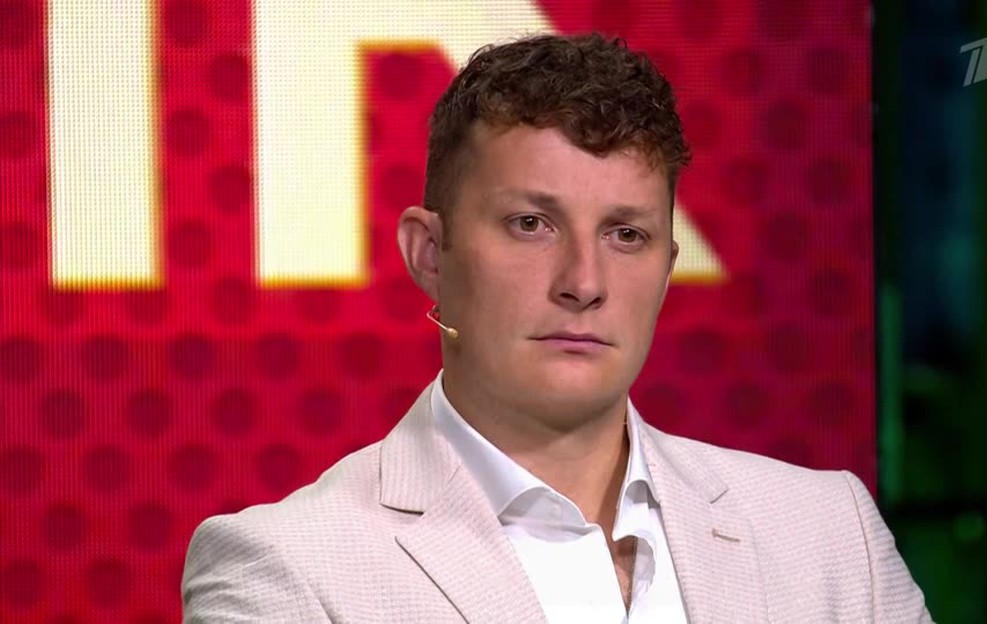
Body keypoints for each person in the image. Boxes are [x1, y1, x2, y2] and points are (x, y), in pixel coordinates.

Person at [182, 33, 931, 623]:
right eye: (531, 224)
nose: (584, 282)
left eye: (626, 235)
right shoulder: (290, 569)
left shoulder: (830, 536)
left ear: (667, 268)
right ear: (430, 254)